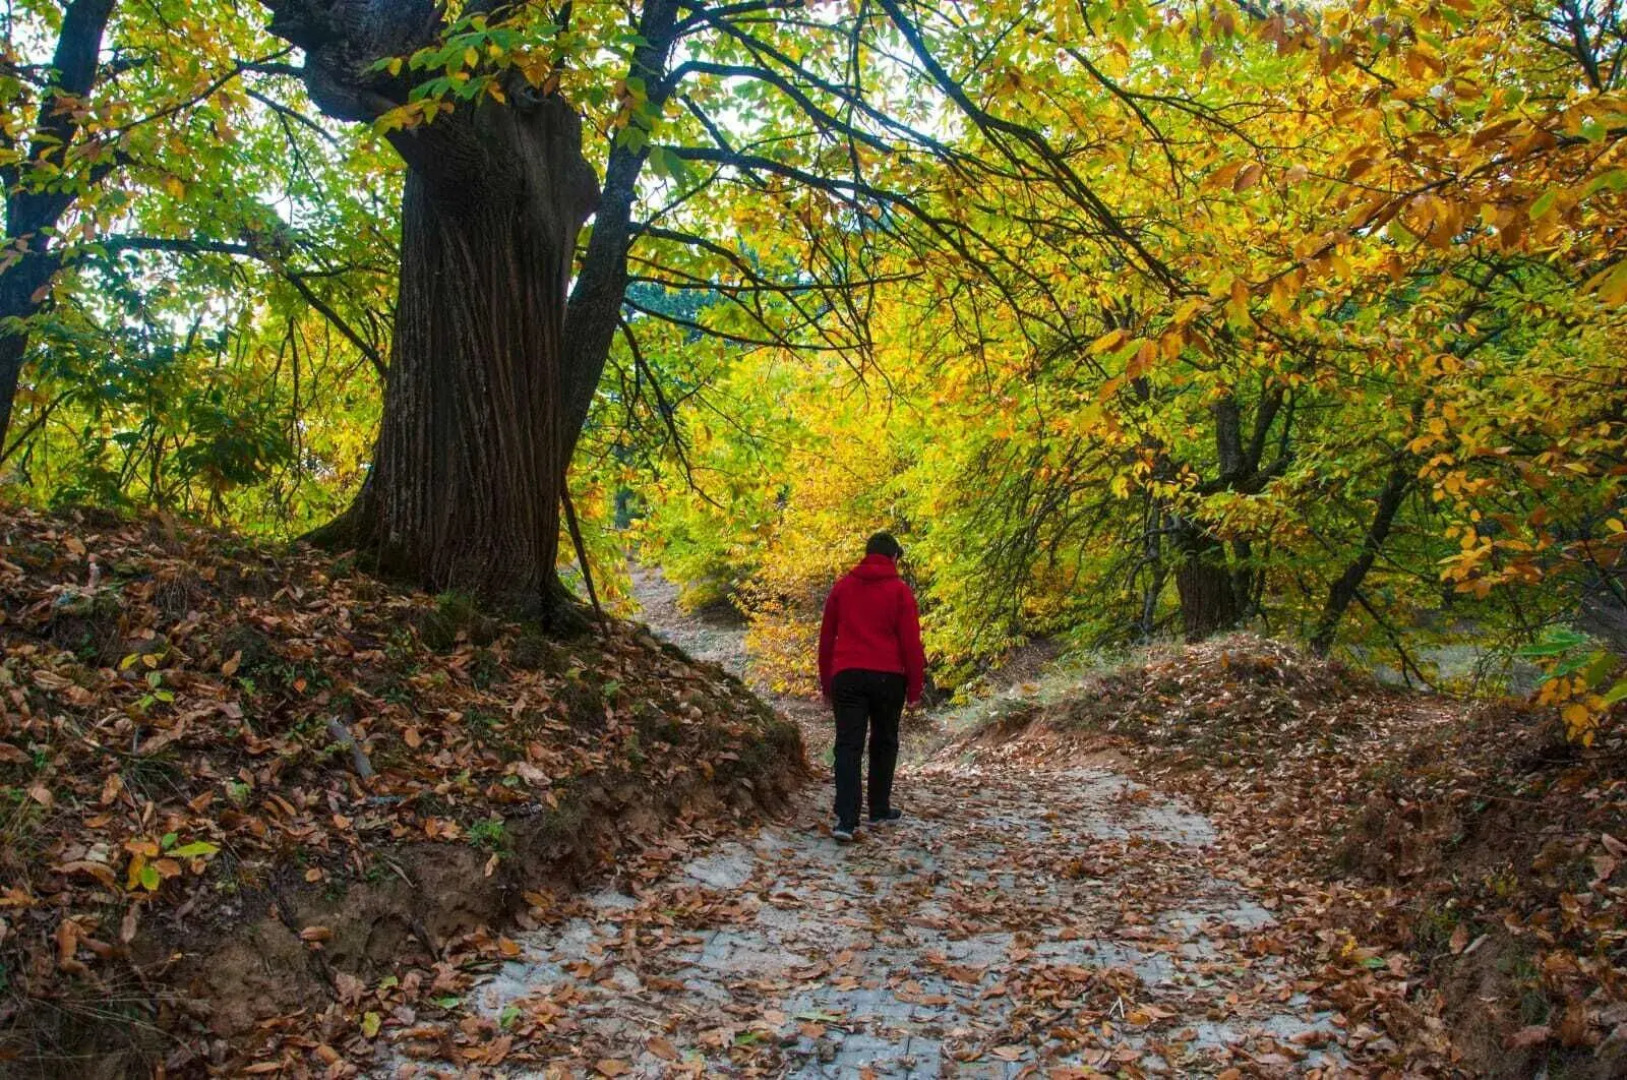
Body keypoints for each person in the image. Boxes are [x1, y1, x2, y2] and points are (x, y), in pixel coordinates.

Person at [817, 531, 926, 843]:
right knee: (884, 741)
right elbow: (911, 644)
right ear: (893, 558)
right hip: (889, 677)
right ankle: (879, 809)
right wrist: (915, 689)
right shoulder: (900, 592)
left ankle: (847, 820)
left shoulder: (842, 588)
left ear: (867, 554)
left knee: (848, 746)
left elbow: (826, 641)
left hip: (848, 675)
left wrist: (827, 684)